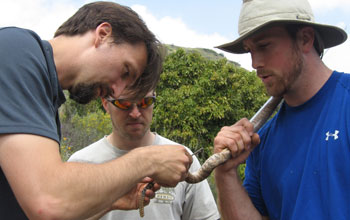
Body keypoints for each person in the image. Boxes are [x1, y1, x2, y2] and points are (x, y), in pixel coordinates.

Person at [0, 2, 192, 219]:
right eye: (125, 70)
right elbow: (48, 201)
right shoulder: (15, 51)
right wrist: (148, 159)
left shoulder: (45, 96)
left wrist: (112, 201)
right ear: (103, 35)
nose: (118, 90)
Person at [213, 0, 349, 219]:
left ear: (305, 39)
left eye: (264, 46)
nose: (255, 63)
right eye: (249, 51)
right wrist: (225, 173)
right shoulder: (262, 140)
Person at [68, 89, 221, 220]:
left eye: (145, 102)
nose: (135, 114)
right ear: (105, 103)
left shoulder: (182, 158)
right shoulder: (80, 164)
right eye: (124, 104)